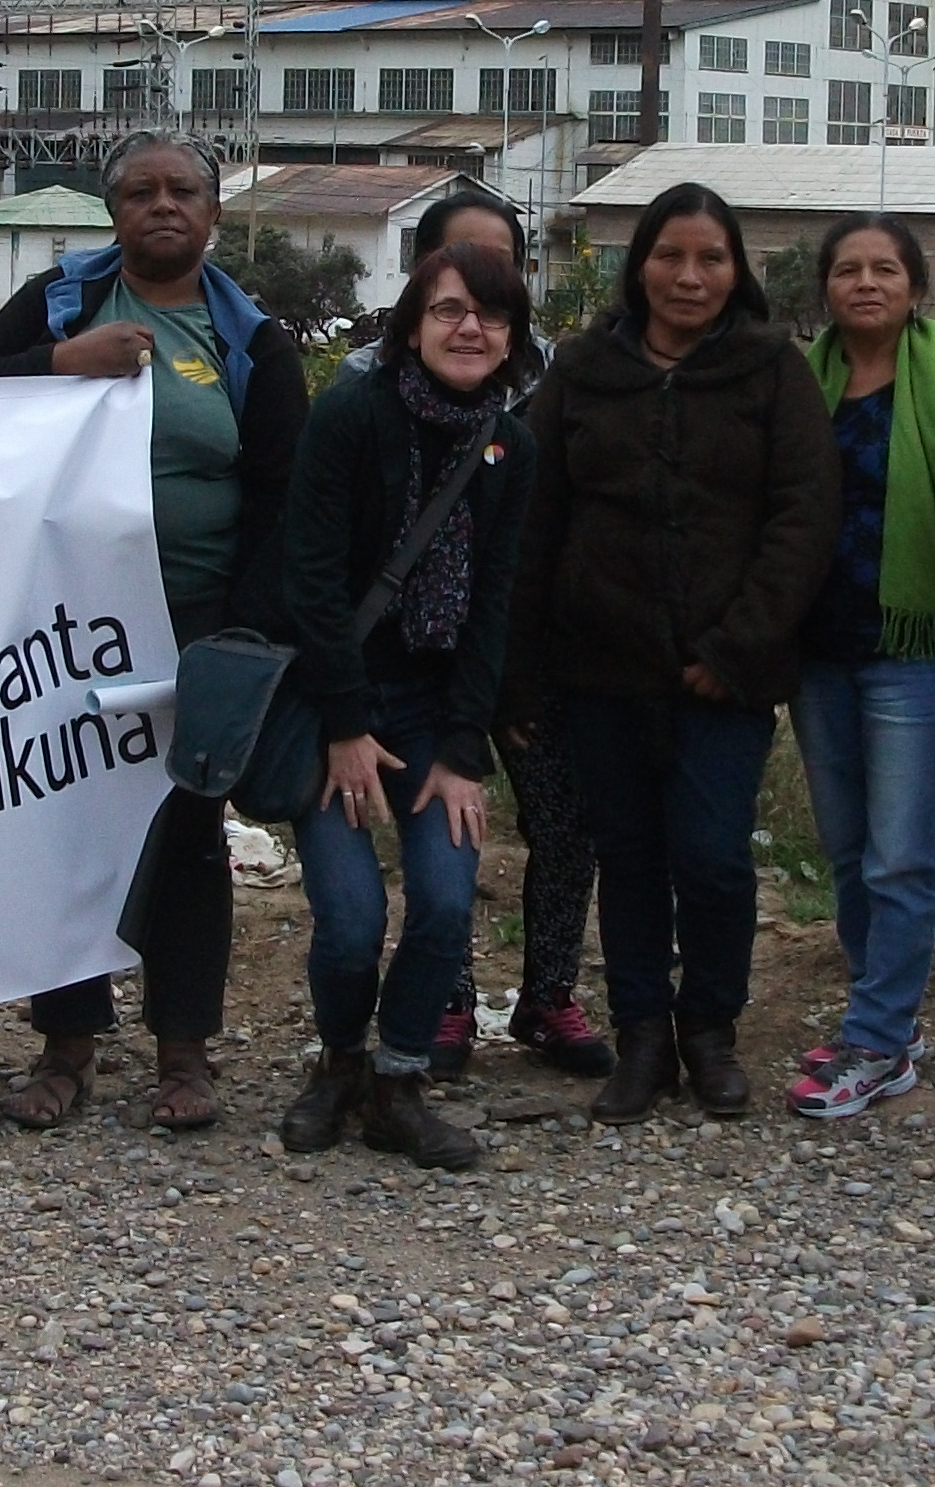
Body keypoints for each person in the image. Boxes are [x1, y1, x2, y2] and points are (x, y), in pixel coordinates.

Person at [0, 133, 309, 1133]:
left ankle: (183, 1052)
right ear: (111, 212)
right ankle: (66, 1046)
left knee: (186, 832)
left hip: (196, 624)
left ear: (213, 214)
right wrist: (57, 364)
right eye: (140, 192)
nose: (162, 206)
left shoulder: (249, 338)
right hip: (65, 625)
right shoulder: (64, 304)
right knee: (67, 829)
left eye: (182, 191)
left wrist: (239, 637)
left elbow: (284, 494)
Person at [506, 182, 837, 1123]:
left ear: (738, 272)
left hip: (723, 680)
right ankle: (644, 1034)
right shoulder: (582, 368)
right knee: (631, 858)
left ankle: (711, 1032)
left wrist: (734, 650)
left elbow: (802, 521)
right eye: (669, 256)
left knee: (715, 857)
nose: (689, 277)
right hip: (599, 672)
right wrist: (520, 676)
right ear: (637, 265)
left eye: (711, 259)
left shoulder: (774, 370)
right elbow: (537, 525)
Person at [272, 243, 540, 1170]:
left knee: (443, 900)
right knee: (348, 920)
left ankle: (399, 1079)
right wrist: (345, 724)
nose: (472, 329)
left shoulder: (511, 443)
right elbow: (308, 579)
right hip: (338, 697)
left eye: (493, 315)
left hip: (435, 707)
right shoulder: (353, 412)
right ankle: (340, 1060)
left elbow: (495, 602)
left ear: (512, 337)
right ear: (413, 322)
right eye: (451, 310)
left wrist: (464, 747)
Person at [356, 185, 611, 1082]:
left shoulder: (558, 377)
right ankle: (449, 999)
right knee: (445, 834)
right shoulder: (364, 383)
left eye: (499, 267)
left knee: (562, 825)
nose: (477, 295)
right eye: (459, 268)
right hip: (418, 664)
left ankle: (549, 993)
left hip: (534, 647)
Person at [785, 216, 935, 1118]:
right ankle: (889, 1018)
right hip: (819, 648)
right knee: (847, 851)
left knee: (902, 859)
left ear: (916, 285)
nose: (864, 283)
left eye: (884, 269)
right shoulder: (800, 380)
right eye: (846, 269)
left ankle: (875, 1043)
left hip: (917, 650)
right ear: (824, 286)